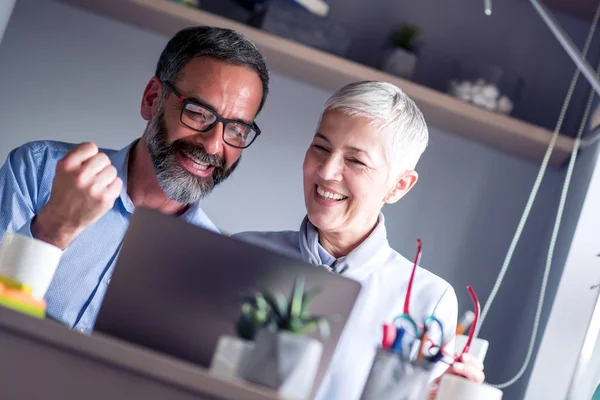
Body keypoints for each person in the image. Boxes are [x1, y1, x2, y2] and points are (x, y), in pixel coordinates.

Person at [0, 26, 269, 333]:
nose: (212, 145)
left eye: (236, 130)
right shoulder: (38, 172)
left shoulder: (217, 267)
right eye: (198, 112)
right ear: (152, 98)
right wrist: (51, 231)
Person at [235, 81, 484, 399]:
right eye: (321, 148)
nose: (326, 171)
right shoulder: (244, 252)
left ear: (399, 186)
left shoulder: (427, 300)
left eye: (355, 160)